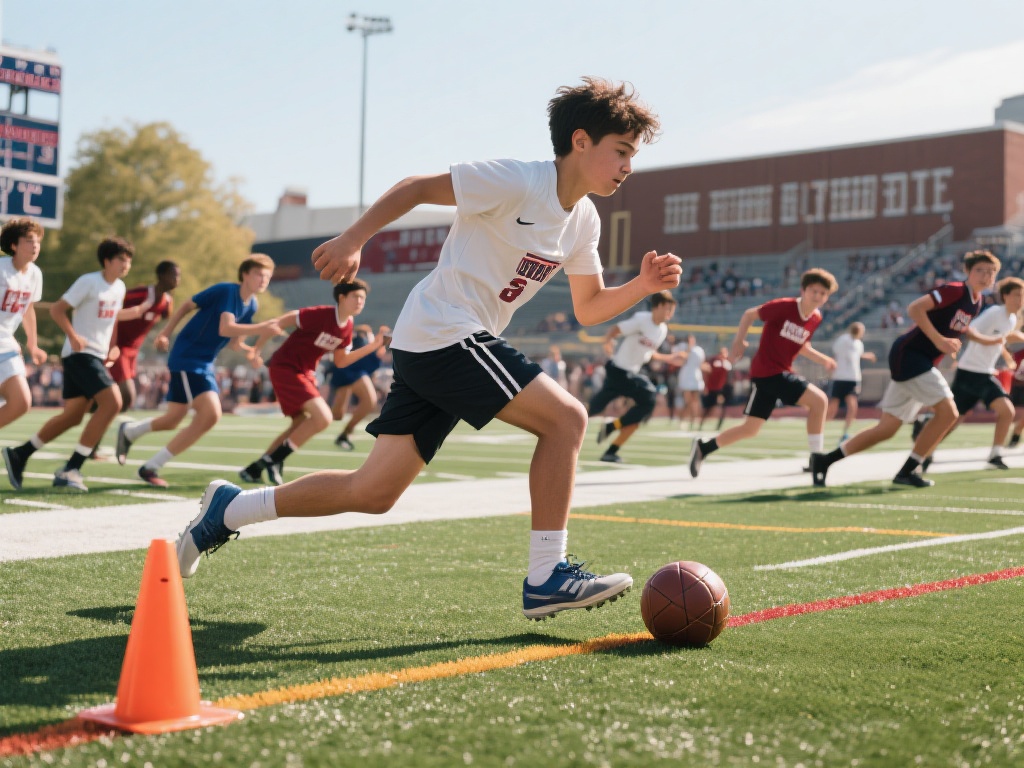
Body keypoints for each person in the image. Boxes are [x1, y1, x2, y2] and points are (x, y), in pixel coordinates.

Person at [175, 76, 679, 621]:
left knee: (373, 491)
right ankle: (546, 575)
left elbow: (588, 307)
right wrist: (352, 239)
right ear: (581, 141)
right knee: (567, 419)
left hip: (438, 341)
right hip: (445, 331)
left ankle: (231, 509)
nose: (629, 166)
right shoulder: (518, 180)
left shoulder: (583, 220)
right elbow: (416, 187)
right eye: (621, 151)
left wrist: (642, 288)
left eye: (632, 155)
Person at [810, 250, 1001, 488]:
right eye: (980, 270)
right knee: (948, 412)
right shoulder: (954, 290)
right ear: (967, 272)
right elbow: (915, 308)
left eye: (991, 272)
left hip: (920, 361)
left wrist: (964, 344)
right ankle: (909, 469)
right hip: (910, 356)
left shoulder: (978, 301)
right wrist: (940, 340)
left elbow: (958, 329)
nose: (985, 276)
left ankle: (825, 461)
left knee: (886, 429)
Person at [115, 254, 281, 487]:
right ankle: (151, 466)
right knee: (211, 414)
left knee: (174, 418)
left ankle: (130, 432)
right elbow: (210, 319)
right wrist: (165, 332)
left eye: (268, 276)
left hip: (204, 362)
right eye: (259, 274)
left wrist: (250, 351)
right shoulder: (227, 291)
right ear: (245, 274)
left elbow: (233, 339)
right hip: (188, 357)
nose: (264, 280)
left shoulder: (252, 303)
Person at [2, 237, 149, 491]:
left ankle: (20, 454)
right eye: (121, 260)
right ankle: (72, 468)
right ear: (107, 261)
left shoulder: (120, 288)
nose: (126, 265)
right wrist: (72, 335)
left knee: (72, 416)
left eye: (128, 261)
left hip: (96, 356)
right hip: (80, 355)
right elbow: (58, 309)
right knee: (113, 402)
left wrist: (114, 345)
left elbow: (111, 318)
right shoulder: (89, 282)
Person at [688, 269, 839, 478]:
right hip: (768, 372)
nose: (819, 296)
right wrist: (739, 340)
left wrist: (824, 360)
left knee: (750, 429)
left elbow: (802, 345)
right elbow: (750, 314)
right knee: (820, 401)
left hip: (775, 374)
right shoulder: (785, 306)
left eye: (824, 294)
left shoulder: (815, 317)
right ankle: (817, 459)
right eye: (815, 291)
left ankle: (703, 448)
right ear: (803, 290)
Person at [239, 280, 388, 485]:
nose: (360, 301)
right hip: (285, 368)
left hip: (305, 373)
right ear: (342, 298)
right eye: (356, 296)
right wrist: (256, 349)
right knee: (323, 417)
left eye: (363, 298)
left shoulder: (348, 326)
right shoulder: (322, 314)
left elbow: (341, 361)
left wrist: (374, 346)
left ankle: (256, 469)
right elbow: (283, 320)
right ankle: (272, 460)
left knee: (300, 423)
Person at [918, 276, 1024, 471]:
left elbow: (997, 339)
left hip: (985, 374)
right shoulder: (994, 312)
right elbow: (970, 331)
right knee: (952, 420)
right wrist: (998, 339)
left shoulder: (1010, 319)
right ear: (1005, 296)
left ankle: (995, 454)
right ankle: (925, 451)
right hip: (969, 372)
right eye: (1017, 295)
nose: (1021, 300)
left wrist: (1006, 354)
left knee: (1006, 411)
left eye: (1023, 296)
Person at [589, 291, 682, 463]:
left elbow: (650, 353)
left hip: (628, 373)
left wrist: (671, 358)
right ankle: (610, 427)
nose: (671, 314)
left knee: (592, 410)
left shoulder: (662, 330)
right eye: (669, 309)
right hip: (619, 371)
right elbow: (616, 329)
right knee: (649, 399)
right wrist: (607, 342)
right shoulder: (642, 319)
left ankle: (611, 450)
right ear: (660, 306)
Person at [0, 219, 46, 439]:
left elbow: (28, 309)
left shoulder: (35, 274)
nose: (35, 245)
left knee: (21, 403)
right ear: (14, 245)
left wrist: (33, 344)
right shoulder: (1, 269)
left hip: (5, 344)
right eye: (29, 240)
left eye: (37, 241)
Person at [331, 320, 387, 451]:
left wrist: (381, 343)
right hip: (347, 371)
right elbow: (371, 354)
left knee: (369, 402)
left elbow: (375, 355)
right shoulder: (360, 338)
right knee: (338, 415)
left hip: (355, 373)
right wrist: (380, 339)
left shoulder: (366, 340)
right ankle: (344, 433)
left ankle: (346, 433)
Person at [827, 322, 877, 443]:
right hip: (840, 377)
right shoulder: (843, 340)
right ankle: (822, 427)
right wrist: (830, 365)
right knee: (833, 406)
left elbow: (856, 356)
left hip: (853, 378)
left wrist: (867, 356)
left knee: (852, 406)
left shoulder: (859, 344)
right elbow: (836, 355)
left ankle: (845, 433)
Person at [674, 333, 705, 431]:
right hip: (686, 376)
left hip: (695, 376)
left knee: (695, 400)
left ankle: (694, 420)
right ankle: (683, 420)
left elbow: (701, 363)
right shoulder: (681, 348)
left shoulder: (699, 350)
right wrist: (688, 349)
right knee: (688, 401)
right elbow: (679, 360)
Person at [698, 346, 732, 431]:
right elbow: (707, 373)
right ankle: (701, 424)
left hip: (723, 389)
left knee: (723, 408)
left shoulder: (727, 363)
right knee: (709, 408)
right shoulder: (714, 361)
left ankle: (718, 426)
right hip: (713, 389)